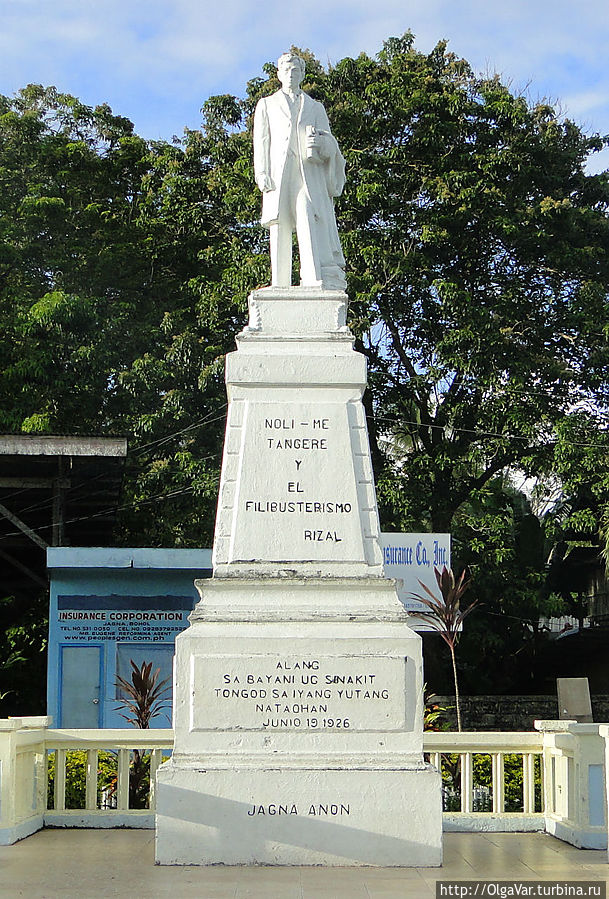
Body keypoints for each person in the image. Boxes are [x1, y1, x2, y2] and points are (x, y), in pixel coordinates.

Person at [253, 52, 346, 290]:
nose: (290, 74)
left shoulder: (315, 107)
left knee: (307, 216)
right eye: (286, 70)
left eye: (295, 70)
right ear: (278, 74)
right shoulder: (266, 104)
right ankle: (279, 283)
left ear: (302, 74)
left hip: (308, 173)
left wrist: (322, 144)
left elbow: (330, 143)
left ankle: (313, 279)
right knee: (279, 224)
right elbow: (261, 141)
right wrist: (261, 172)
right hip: (279, 174)